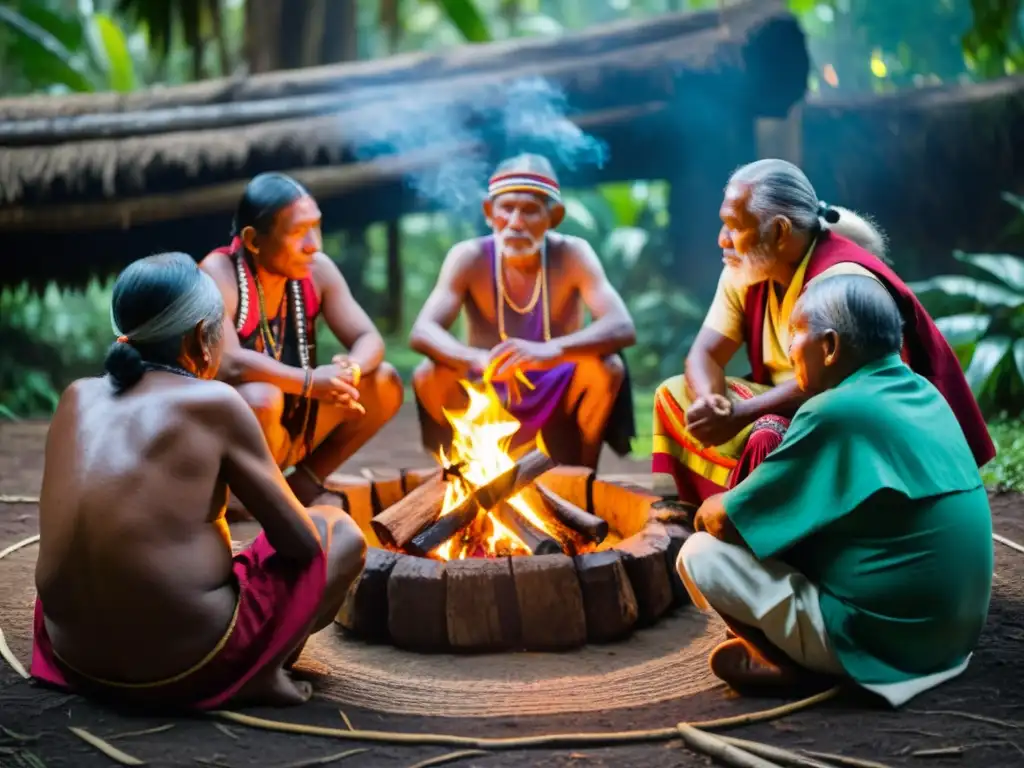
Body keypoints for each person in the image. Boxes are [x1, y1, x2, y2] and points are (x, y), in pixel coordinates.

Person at [31, 253, 367, 710]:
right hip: (186, 664)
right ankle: (257, 672)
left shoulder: (76, 395)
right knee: (339, 532)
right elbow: (301, 545)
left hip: (73, 656)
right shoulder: (215, 402)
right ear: (200, 339)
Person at [678, 274, 993, 705]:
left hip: (886, 649)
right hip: (952, 642)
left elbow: (723, 522)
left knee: (700, 553)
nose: (790, 353)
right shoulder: (925, 393)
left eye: (794, 336)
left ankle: (795, 670)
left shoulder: (836, 411)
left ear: (828, 346)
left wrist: (708, 507)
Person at [652, 158, 994, 504]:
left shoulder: (840, 280)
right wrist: (714, 401)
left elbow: (842, 383)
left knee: (768, 431)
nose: (721, 239)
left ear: (781, 231)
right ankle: (703, 507)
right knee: (673, 394)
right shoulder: (748, 266)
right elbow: (706, 353)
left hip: (857, 415)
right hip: (785, 405)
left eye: (733, 226)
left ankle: (764, 527)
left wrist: (741, 414)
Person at [409, 153, 637, 468]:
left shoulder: (573, 253)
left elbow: (621, 325)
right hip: (489, 379)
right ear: (489, 212)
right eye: (506, 208)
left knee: (605, 369)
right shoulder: (469, 256)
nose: (515, 222)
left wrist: (550, 350)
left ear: (553, 217)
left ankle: (580, 476)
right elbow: (423, 331)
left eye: (529, 210)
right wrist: (478, 359)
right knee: (428, 374)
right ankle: (462, 469)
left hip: (555, 378)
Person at [200, 173, 403, 507]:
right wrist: (310, 382)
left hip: (291, 425)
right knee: (261, 399)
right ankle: (240, 499)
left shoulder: (316, 270)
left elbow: (368, 338)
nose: (314, 244)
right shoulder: (217, 273)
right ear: (253, 240)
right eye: (297, 232)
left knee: (383, 382)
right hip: (233, 434)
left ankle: (303, 484)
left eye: (316, 226)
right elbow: (229, 362)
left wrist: (349, 371)